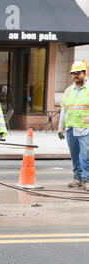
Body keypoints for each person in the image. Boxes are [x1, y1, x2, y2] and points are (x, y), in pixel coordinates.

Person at [58, 61, 89, 192]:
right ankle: (78, 178)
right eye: (73, 73)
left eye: (78, 73)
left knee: (85, 155)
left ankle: (86, 180)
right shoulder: (68, 91)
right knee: (75, 155)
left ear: (84, 74)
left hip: (85, 128)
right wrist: (61, 127)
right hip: (71, 128)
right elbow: (64, 110)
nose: (75, 76)